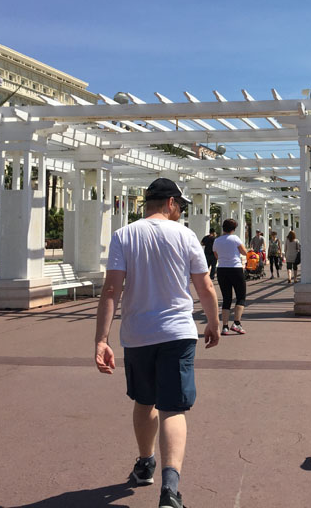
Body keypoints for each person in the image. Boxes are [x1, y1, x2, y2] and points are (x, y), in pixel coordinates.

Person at [94, 177, 220, 508]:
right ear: (170, 203)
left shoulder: (124, 235)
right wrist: (214, 322)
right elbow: (205, 287)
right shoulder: (186, 236)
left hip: (137, 335)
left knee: (144, 400)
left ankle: (145, 462)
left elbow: (111, 290)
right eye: (179, 206)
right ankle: (171, 489)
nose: (180, 212)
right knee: (173, 409)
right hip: (178, 333)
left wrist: (101, 340)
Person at [213, 218, 248, 335]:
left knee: (226, 298)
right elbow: (244, 252)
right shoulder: (235, 239)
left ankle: (225, 326)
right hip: (236, 269)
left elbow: (216, 255)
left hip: (222, 270)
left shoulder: (217, 241)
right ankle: (237, 323)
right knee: (241, 296)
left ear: (223, 227)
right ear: (234, 229)